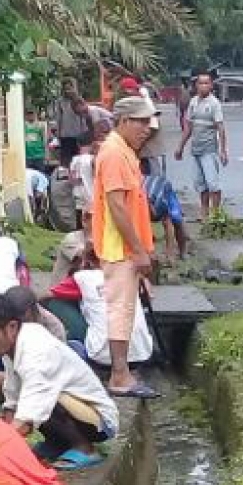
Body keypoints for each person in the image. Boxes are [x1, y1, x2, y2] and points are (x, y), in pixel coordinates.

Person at [0, 285, 118, 463]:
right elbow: (12, 393)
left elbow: (29, 414)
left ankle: (85, 448)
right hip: (71, 407)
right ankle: (57, 443)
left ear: (11, 327)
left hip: (99, 422)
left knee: (46, 398)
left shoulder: (37, 351)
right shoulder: (12, 345)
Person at [91, 92, 159, 398]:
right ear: (123, 121)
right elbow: (117, 208)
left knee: (126, 310)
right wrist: (138, 250)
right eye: (142, 122)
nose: (147, 128)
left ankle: (123, 372)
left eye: (149, 122)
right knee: (120, 310)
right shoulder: (115, 154)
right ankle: (119, 375)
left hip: (127, 248)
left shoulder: (125, 151)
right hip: (120, 249)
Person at [180, 69, 228, 219]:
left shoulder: (214, 104)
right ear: (196, 85)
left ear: (211, 85)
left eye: (206, 83)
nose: (203, 86)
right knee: (200, 184)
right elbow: (188, 127)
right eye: (201, 83)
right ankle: (204, 213)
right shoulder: (193, 102)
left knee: (213, 184)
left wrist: (223, 150)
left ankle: (216, 214)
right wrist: (180, 147)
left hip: (209, 149)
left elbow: (221, 128)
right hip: (196, 149)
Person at [68, 108, 110, 233]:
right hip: (94, 197)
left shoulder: (76, 159)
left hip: (79, 196)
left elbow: (72, 179)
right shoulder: (95, 157)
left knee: (82, 226)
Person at [142, 154, 189, 260]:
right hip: (147, 190)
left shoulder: (160, 202)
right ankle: (172, 254)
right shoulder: (138, 207)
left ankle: (182, 252)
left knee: (176, 220)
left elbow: (168, 224)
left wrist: (169, 255)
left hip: (163, 190)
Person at [51, 78, 94, 166]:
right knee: (66, 161)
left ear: (74, 88)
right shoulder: (60, 102)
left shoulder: (80, 99)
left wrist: (87, 134)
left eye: (70, 88)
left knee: (80, 159)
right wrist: (58, 134)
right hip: (65, 136)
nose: (68, 91)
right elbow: (58, 118)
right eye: (65, 89)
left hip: (79, 135)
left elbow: (86, 116)